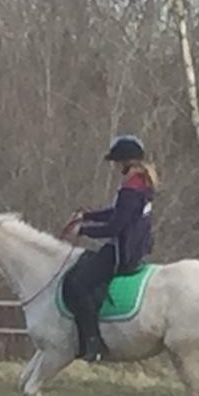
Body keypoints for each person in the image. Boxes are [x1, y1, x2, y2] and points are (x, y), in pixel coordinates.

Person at [60, 135, 158, 362]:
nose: (116, 167)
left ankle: (94, 342)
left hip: (122, 253)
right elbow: (116, 213)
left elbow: (115, 226)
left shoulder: (131, 189)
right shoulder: (139, 185)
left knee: (77, 283)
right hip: (132, 247)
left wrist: (83, 231)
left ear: (126, 162)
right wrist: (86, 216)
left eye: (117, 162)